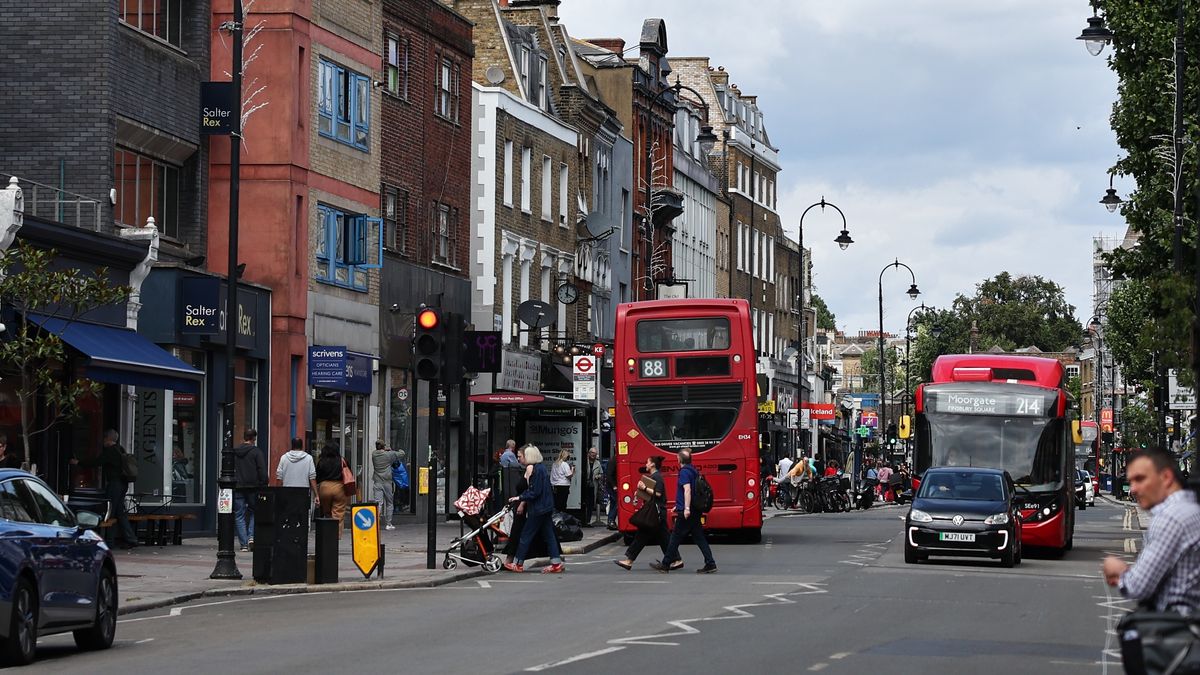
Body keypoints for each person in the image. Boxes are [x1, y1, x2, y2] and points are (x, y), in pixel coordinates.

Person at [1102, 447, 1200, 613]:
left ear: (1166, 477)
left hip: (1177, 630)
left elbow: (1138, 586)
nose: (1133, 489)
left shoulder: (1170, 518)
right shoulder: (1190, 508)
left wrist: (1120, 570)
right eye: (1131, 481)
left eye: (1140, 479)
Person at [652, 449, 717, 574]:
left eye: (677, 457)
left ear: (680, 460)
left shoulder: (684, 472)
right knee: (699, 537)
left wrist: (686, 508)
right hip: (694, 509)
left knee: (675, 537)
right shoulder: (693, 470)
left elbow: (687, 490)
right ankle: (710, 563)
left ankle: (665, 564)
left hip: (688, 511)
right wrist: (678, 505)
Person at [71, 429, 137, 549]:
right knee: (119, 512)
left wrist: (78, 462)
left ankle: (110, 541)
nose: (103, 441)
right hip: (123, 483)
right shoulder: (120, 449)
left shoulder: (110, 451)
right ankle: (130, 538)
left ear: (108, 439)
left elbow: (96, 462)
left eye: (104, 438)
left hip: (115, 484)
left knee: (110, 511)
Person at [504, 445, 565, 573]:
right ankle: (556, 563)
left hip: (538, 509)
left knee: (526, 535)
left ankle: (518, 563)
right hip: (546, 507)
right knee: (549, 536)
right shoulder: (541, 468)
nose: (522, 459)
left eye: (523, 456)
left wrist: (518, 498)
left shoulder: (535, 470)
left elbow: (534, 491)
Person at [616, 455, 677, 570]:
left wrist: (644, 488)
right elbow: (649, 494)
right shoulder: (652, 477)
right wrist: (638, 493)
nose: (646, 464)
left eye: (647, 462)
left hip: (656, 512)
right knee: (664, 538)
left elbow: (658, 494)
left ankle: (629, 560)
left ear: (653, 464)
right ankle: (676, 559)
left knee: (642, 536)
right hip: (656, 512)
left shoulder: (657, 477)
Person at [233, 429, 267, 552]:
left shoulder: (235, 452)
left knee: (239, 515)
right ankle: (251, 536)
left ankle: (243, 544)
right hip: (253, 486)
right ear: (254, 438)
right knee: (255, 511)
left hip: (238, 486)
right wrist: (264, 483)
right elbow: (261, 469)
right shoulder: (256, 452)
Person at [503, 446, 534, 566]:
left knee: (518, 533)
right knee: (517, 533)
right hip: (520, 505)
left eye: (520, 456)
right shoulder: (526, 469)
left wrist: (521, 504)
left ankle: (513, 561)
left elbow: (529, 489)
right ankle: (511, 560)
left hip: (523, 507)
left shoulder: (530, 469)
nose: (518, 459)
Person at [370, 440, 405, 530]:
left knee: (378, 503)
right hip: (387, 482)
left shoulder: (374, 454)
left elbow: (380, 452)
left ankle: (375, 523)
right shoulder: (389, 454)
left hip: (377, 482)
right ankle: (388, 523)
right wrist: (390, 450)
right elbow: (402, 453)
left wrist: (386, 450)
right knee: (389, 503)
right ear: (384, 447)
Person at [315, 443, 348, 539]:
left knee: (327, 512)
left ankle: (327, 534)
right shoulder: (342, 460)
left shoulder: (321, 461)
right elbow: (348, 473)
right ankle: (335, 536)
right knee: (338, 513)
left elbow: (317, 476)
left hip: (324, 487)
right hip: (339, 487)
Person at [276, 437, 319, 507]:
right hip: (303, 493)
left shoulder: (284, 458)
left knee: (288, 515)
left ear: (291, 446)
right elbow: (312, 478)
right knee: (302, 516)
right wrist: (316, 495)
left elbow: (279, 477)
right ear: (302, 446)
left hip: (287, 492)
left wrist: (277, 493)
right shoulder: (309, 458)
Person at [582, 447, 602, 526]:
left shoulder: (598, 463)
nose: (594, 455)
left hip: (593, 485)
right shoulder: (584, 461)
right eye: (592, 453)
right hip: (584, 486)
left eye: (595, 453)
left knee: (590, 504)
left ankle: (588, 521)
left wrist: (598, 476)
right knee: (584, 503)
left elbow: (601, 473)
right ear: (589, 454)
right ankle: (583, 519)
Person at [604, 454, 618, 529]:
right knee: (617, 503)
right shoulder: (613, 461)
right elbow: (609, 474)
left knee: (613, 503)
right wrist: (614, 486)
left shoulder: (613, 460)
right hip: (612, 486)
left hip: (612, 486)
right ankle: (611, 520)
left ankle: (610, 521)